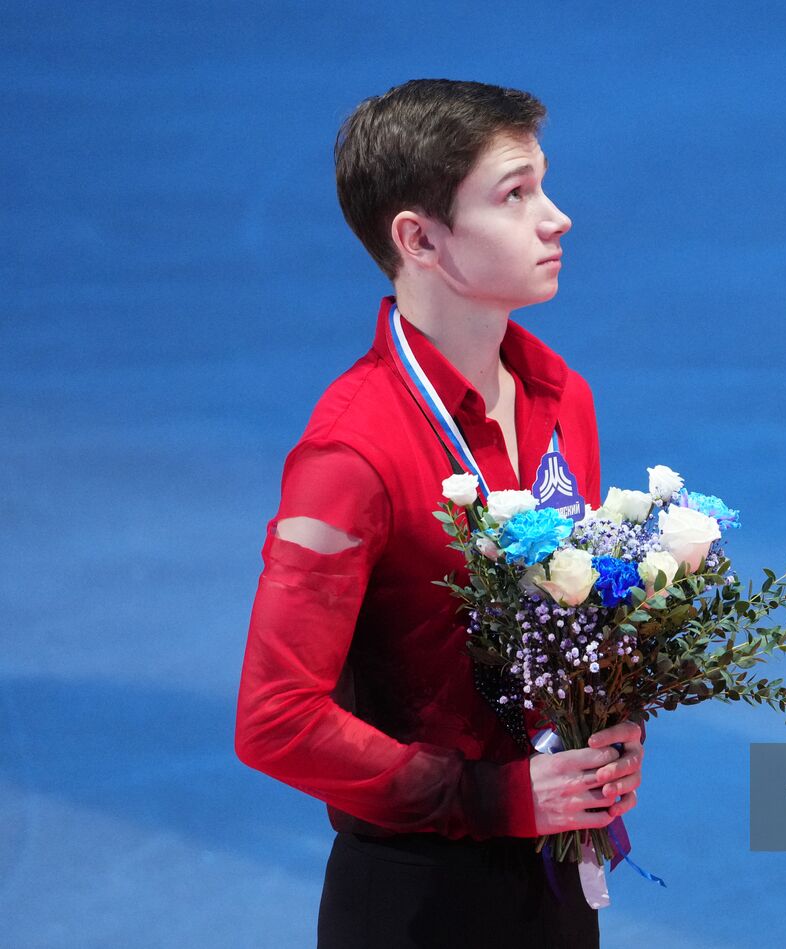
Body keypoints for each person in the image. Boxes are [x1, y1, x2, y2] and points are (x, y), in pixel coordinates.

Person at [233, 78, 644, 948]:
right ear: (419, 238)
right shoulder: (348, 455)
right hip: (415, 903)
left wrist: (611, 717)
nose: (556, 216)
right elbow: (276, 719)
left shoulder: (563, 396)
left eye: (544, 184)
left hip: (555, 873)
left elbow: (579, 607)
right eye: (515, 194)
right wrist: (489, 798)